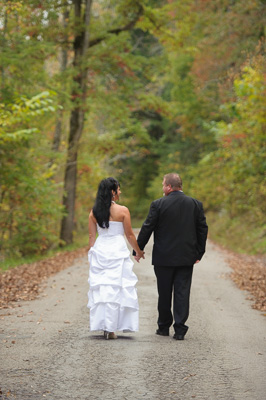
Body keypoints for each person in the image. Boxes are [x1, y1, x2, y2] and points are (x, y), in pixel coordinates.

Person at [134, 173, 208, 340]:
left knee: (164, 292)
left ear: (168, 187)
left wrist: (138, 250)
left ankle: (163, 327)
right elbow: (202, 229)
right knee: (182, 292)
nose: (162, 188)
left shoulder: (158, 204)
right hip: (186, 257)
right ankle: (180, 329)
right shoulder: (195, 204)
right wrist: (199, 252)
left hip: (163, 257)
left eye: (163, 185)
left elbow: (147, 227)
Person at [87, 177, 145, 340]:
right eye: (118, 189)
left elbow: (92, 236)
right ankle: (111, 327)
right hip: (117, 249)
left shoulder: (94, 212)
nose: (120, 192)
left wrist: (93, 254)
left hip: (101, 248)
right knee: (118, 286)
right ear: (112, 192)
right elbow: (129, 234)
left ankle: (106, 325)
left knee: (104, 288)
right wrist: (138, 251)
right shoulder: (123, 211)